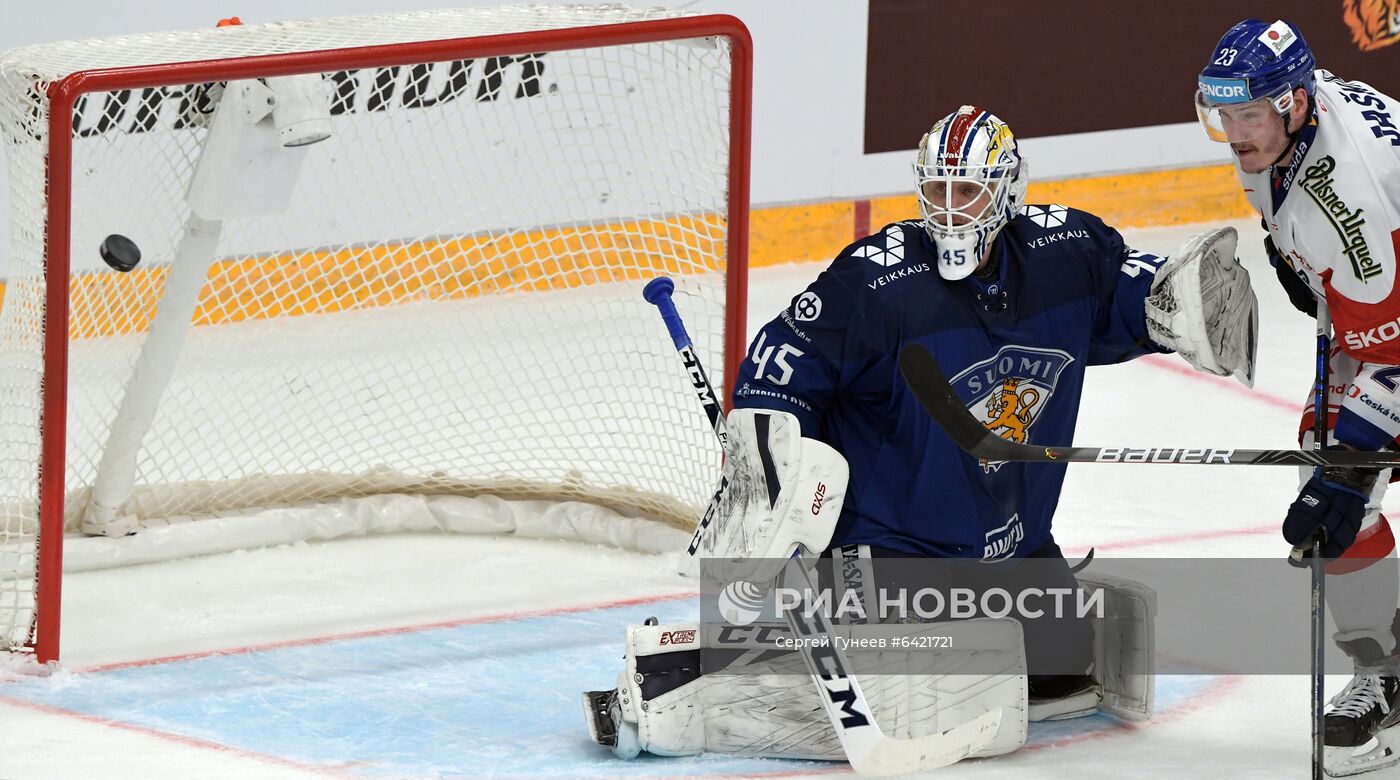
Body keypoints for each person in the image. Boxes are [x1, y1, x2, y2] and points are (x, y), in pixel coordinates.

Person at [581, 105, 1258, 767]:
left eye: (967, 190)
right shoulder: (877, 283)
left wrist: (1179, 308)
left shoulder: (1067, 253)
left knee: (1056, 663)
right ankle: (680, 670)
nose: (949, 207)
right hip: (887, 545)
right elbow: (777, 369)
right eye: (936, 189)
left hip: (1010, 544)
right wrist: (773, 476)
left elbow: (1141, 295)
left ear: (1008, 191)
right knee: (955, 683)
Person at [1195, 18, 1400, 776]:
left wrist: (1354, 464)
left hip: (1395, 311)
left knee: (1342, 480)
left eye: (1249, 115)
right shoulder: (1294, 121)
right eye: (1225, 114)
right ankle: (1386, 671)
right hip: (1380, 306)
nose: (1235, 132)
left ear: (1294, 105)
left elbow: (1398, 356)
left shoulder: (1349, 203)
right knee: (1328, 462)